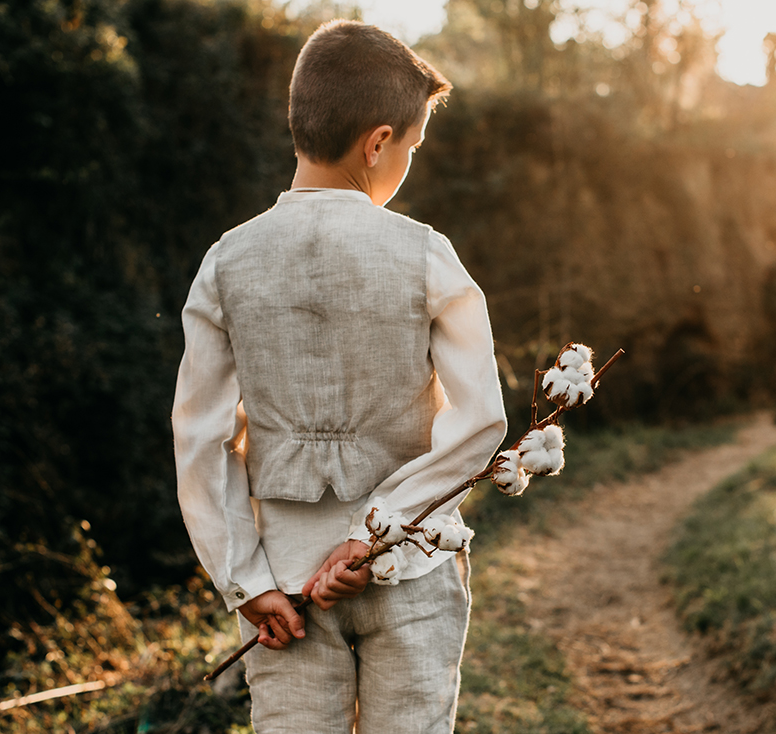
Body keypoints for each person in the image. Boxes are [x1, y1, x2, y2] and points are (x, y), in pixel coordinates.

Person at [172, 19, 507, 733]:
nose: (408, 161)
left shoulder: (227, 262)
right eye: (411, 147)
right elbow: (480, 418)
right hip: (408, 570)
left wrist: (247, 582)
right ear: (379, 141)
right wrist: (372, 532)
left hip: (285, 596)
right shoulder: (424, 254)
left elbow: (199, 439)